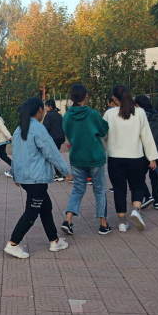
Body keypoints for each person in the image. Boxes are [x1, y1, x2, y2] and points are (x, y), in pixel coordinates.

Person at [4, 98, 71, 259]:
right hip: (36, 179)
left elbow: (15, 154)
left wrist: (14, 173)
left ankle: (54, 241)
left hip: (26, 179)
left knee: (45, 206)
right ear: (40, 110)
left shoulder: (19, 129)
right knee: (32, 211)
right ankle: (13, 243)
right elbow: (52, 152)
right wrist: (65, 171)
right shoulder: (38, 129)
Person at [104, 85, 158, 232]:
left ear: (114, 98)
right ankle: (136, 210)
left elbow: (104, 134)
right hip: (136, 157)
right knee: (137, 186)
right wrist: (152, 157)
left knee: (119, 189)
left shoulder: (109, 114)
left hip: (115, 158)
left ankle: (122, 223)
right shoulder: (139, 112)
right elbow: (146, 136)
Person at [61, 85, 111, 236]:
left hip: (77, 157)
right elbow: (103, 130)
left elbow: (67, 133)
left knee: (78, 189)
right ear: (86, 96)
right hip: (94, 157)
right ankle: (103, 224)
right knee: (99, 190)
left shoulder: (67, 117)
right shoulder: (93, 114)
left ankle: (68, 220)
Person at [43, 99, 66, 181]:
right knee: (56, 155)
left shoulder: (48, 116)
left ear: (50, 107)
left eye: (46, 106)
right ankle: (61, 173)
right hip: (60, 138)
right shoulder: (59, 115)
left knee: (53, 157)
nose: (45, 108)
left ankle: (59, 174)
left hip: (52, 139)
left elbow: (45, 128)